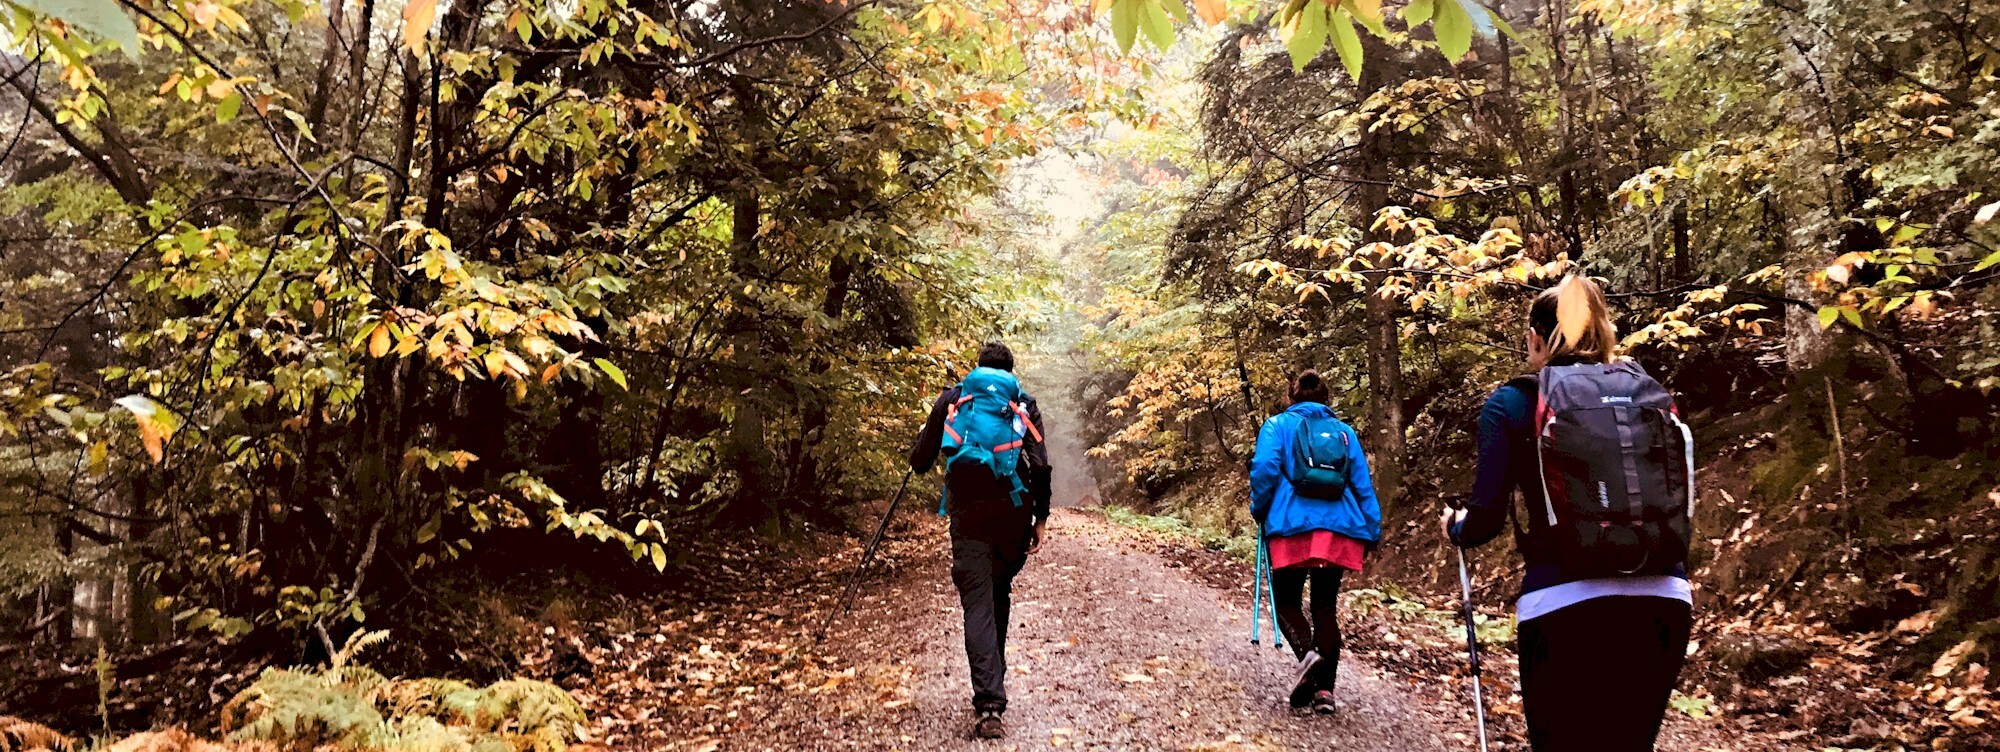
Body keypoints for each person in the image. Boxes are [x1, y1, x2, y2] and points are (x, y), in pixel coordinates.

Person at [1441, 276, 1694, 752]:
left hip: (1561, 602)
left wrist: (1457, 528)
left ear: (1535, 338)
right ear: (1603, 330)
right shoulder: (1646, 393)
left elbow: (1485, 521)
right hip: (1664, 598)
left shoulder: (1510, 404)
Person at [908, 341, 1052, 740]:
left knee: (977, 601)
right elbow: (1041, 464)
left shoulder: (954, 399)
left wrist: (925, 437)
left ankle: (989, 702)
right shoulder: (1023, 403)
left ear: (978, 367)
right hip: (1013, 511)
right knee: (998, 591)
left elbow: (920, 461)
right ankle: (993, 684)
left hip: (967, 513)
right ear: (1011, 371)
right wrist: (1041, 518)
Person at [1249, 369, 1381, 713]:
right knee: (1324, 606)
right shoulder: (1344, 433)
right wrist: (1372, 529)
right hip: (1339, 528)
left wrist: (1259, 508)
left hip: (1292, 526)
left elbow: (1264, 469)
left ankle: (1309, 657)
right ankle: (1324, 693)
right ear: (1327, 399)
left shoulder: (1276, 426)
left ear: (1291, 398)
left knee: (1286, 603)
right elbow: (1362, 484)